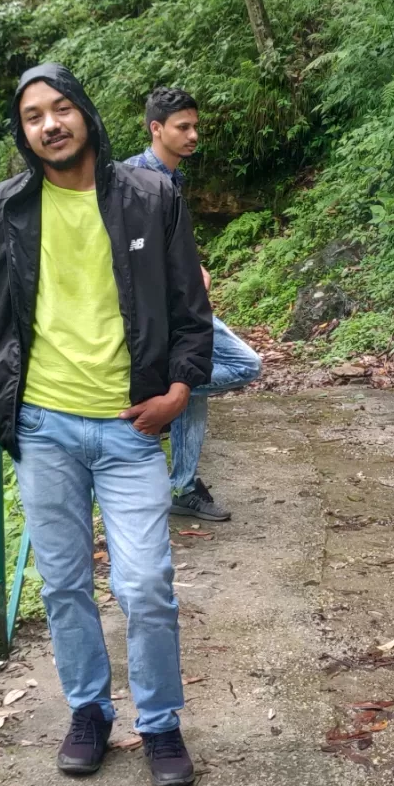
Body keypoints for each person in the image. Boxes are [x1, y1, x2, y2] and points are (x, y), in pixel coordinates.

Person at [0, 64, 214, 786]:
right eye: (34, 116)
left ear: (86, 114)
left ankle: (158, 721)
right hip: (43, 428)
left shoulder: (151, 197)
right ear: (23, 132)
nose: (50, 124)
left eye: (60, 109)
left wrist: (180, 390)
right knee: (64, 584)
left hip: (131, 427)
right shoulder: (0, 211)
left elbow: (191, 309)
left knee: (147, 583)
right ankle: (89, 711)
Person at [124, 86, 262, 522]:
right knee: (246, 365)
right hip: (156, 312)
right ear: (156, 128)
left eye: (195, 126)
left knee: (193, 381)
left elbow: (169, 238)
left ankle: (181, 482)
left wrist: (192, 265)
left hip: (180, 308)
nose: (194, 135)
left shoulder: (172, 177)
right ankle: (168, 397)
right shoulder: (129, 180)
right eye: (183, 127)